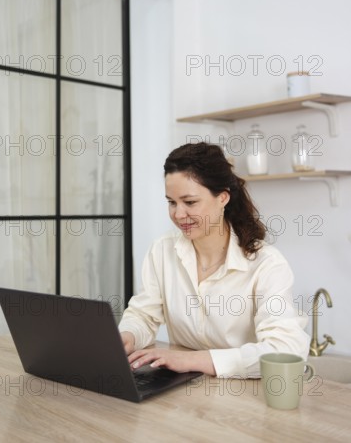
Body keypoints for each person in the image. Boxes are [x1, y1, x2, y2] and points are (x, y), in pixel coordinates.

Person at [119, 142, 309, 378]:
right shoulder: (162, 251)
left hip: (245, 396)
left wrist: (193, 359)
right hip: (183, 391)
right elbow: (144, 316)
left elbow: (287, 351)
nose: (178, 214)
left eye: (190, 202)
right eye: (171, 202)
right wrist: (127, 336)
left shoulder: (267, 264)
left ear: (222, 198)